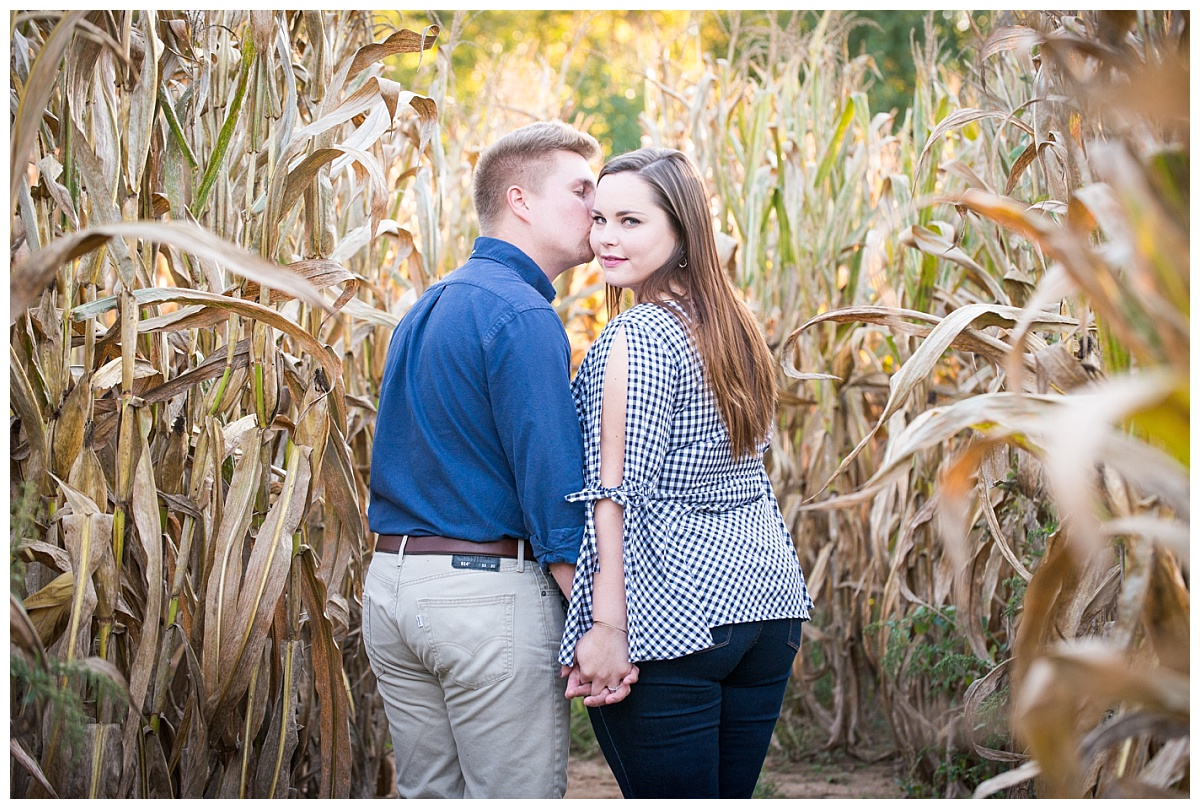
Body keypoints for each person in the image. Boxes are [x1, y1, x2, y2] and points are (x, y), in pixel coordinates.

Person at [364, 121, 635, 799]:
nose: (595, 211)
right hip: (482, 597)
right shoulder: (521, 315)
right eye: (580, 191)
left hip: (394, 590)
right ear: (520, 201)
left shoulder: (427, 306)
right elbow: (554, 495)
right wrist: (605, 629)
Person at [558, 148, 814, 799]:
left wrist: (608, 626)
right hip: (767, 604)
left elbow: (617, 493)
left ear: (681, 230)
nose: (607, 238)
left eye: (631, 221)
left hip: (682, 613)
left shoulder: (638, 334)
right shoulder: (734, 327)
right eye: (600, 219)